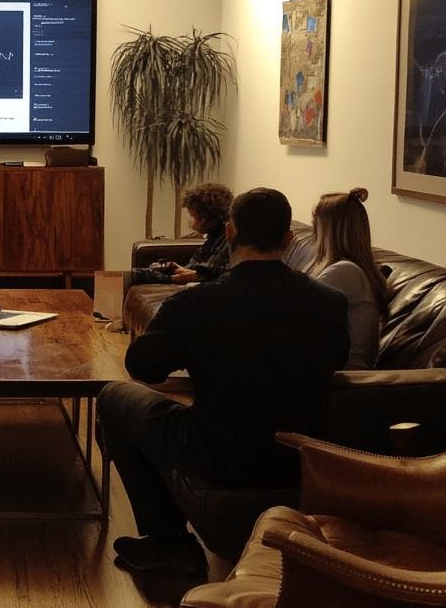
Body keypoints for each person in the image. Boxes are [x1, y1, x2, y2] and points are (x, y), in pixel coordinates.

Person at [98, 188, 349, 575]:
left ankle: (168, 542)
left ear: (229, 232)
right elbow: (337, 362)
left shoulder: (196, 304)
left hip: (218, 456)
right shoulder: (330, 302)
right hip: (300, 461)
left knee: (114, 398)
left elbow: (142, 367)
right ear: (287, 239)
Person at [307, 188, 388, 370]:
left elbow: (295, 309)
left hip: (343, 376)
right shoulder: (356, 270)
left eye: (316, 224)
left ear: (330, 231)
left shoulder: (346, 272)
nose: (313, 231)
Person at [131, 183, 233, 285]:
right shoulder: (212, 239)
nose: (192, 223)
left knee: (139, 276)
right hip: (194, 281)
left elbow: (213, 271)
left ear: (205, 218)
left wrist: (196, 275)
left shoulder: (228, 241)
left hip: (203, 287)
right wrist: (180, 269)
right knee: (138, 275)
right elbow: (194, 266)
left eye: (194, 217)